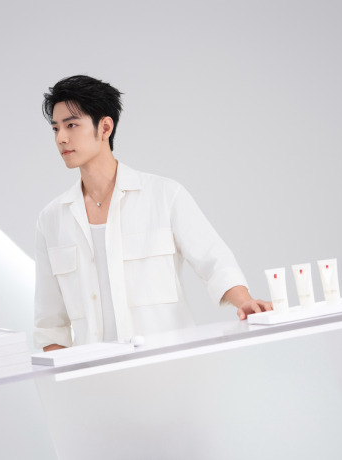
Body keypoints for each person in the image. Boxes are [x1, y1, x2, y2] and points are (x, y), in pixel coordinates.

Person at [34, 75, 272, 351]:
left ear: (105, 127)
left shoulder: (164, 195)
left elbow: (214, 261)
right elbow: (50, 325)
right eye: (55, 128)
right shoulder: (52, 220)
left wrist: (245, 302)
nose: (61, 138)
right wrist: (69, 375)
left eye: (71, 125)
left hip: (169, 365)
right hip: (96, 373)